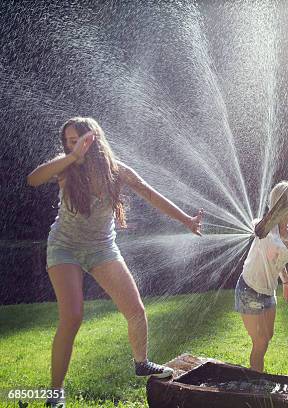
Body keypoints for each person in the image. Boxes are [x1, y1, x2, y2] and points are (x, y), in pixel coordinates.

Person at [27, 117, 204, 407]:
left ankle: (142, 362)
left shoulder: (116, 171)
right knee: (72, 317)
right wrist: (71, 156)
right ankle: (55, 393)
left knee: (136, 310)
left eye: (77, 140)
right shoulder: (66, 167)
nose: (72, 146)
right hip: (65, 248)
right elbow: (32, 179)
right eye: (68, 142)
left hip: (102, 249)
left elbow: (150, 193)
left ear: (92, 139)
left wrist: (185, 220)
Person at [235, 180, 288, 372]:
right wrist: (262, 225)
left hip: (269, 292)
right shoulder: (266, 229)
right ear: (281, 204)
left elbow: (278, 262)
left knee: (268, 336)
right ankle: (256, 381)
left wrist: (285, 281)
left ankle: (256, 375)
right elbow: (256, 227)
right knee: (260, 341)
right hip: (249, 290)